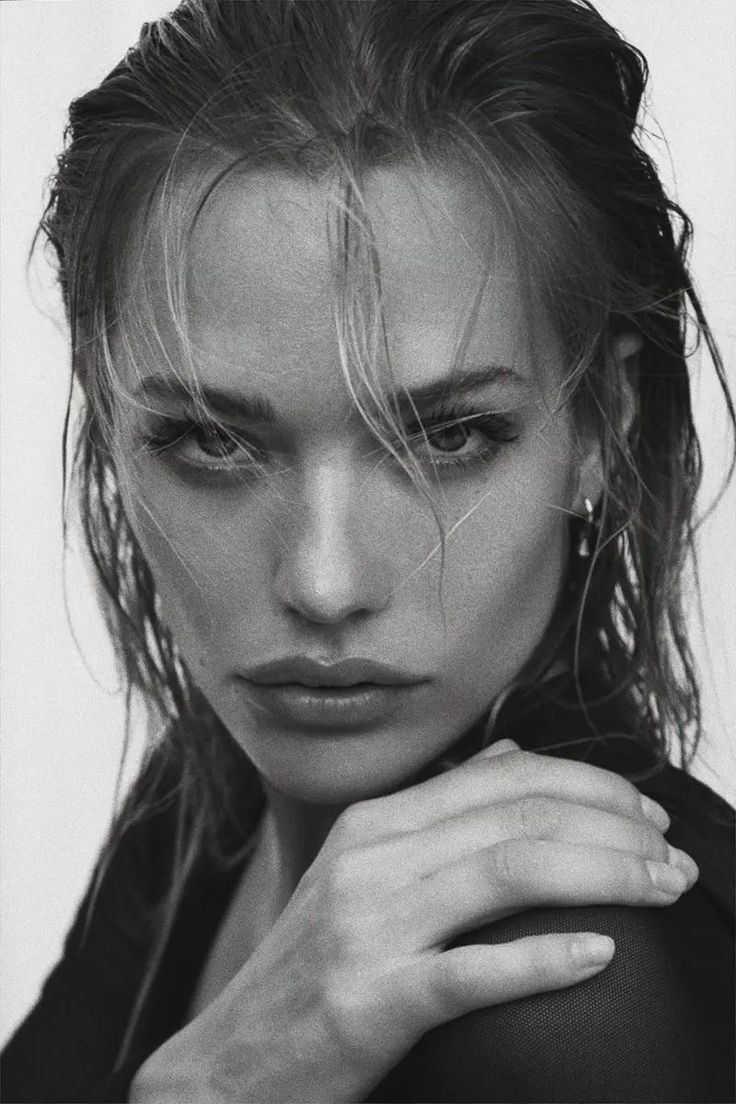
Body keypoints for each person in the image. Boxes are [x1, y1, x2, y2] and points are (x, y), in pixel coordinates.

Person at [2, 1, 734, 1101]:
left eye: (446, 436)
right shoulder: (211, 798)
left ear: (600, 429)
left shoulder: (562, 1003)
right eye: (209, 439)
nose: (322, 584)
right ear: (109, 423)